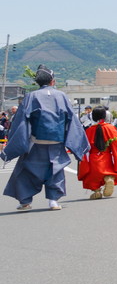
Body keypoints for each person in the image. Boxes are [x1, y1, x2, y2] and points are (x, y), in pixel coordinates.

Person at [2, 66, 89, 211]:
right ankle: (53, 201)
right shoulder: (61, 96)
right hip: (57, 141)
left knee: (25, 170)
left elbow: (21, 121)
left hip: (35, 142)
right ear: (53, 81)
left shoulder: (31, 96)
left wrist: (16, 143)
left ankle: (25, 202)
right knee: (56, 170)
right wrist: (78, 144)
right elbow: (72, 121)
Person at [78, 107, 117, 199]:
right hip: (106, 155)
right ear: (105, 116)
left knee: (92, 176)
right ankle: (108, 178)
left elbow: (84, 146)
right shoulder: (110, 128)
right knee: (108, 171)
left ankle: (96, 190)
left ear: (93, 117)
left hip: (93, 156)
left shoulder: (89, 130)